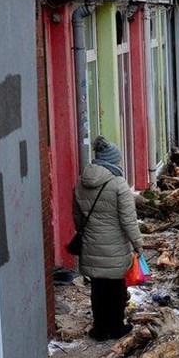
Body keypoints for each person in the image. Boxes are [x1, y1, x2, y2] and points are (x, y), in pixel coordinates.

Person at [73, 136, 143, 341]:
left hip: (92, 245)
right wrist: (138, 243)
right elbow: (128, 220)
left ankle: (100, 329)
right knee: (116, 289)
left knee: (98, 289)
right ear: (113, 161)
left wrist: (88, 233)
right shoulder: (118, 184)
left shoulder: (81, 182)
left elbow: (76, 215)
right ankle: (116, 327)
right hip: (114, 246)